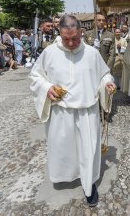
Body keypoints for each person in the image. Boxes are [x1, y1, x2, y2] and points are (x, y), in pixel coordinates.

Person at [29, 14, 116, 207]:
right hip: (61, 111)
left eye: (74, 38)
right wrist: (47, 88)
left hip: (87, 110)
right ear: (60, 33)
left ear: (81, 33)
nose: (70, 43)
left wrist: (108, 83)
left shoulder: (92, 53)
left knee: (88, 148)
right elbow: (36, 77)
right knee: (64, 148)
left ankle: (88, 183)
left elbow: (104, 74)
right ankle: (67, 175)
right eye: (66, 38)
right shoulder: (50, 52)